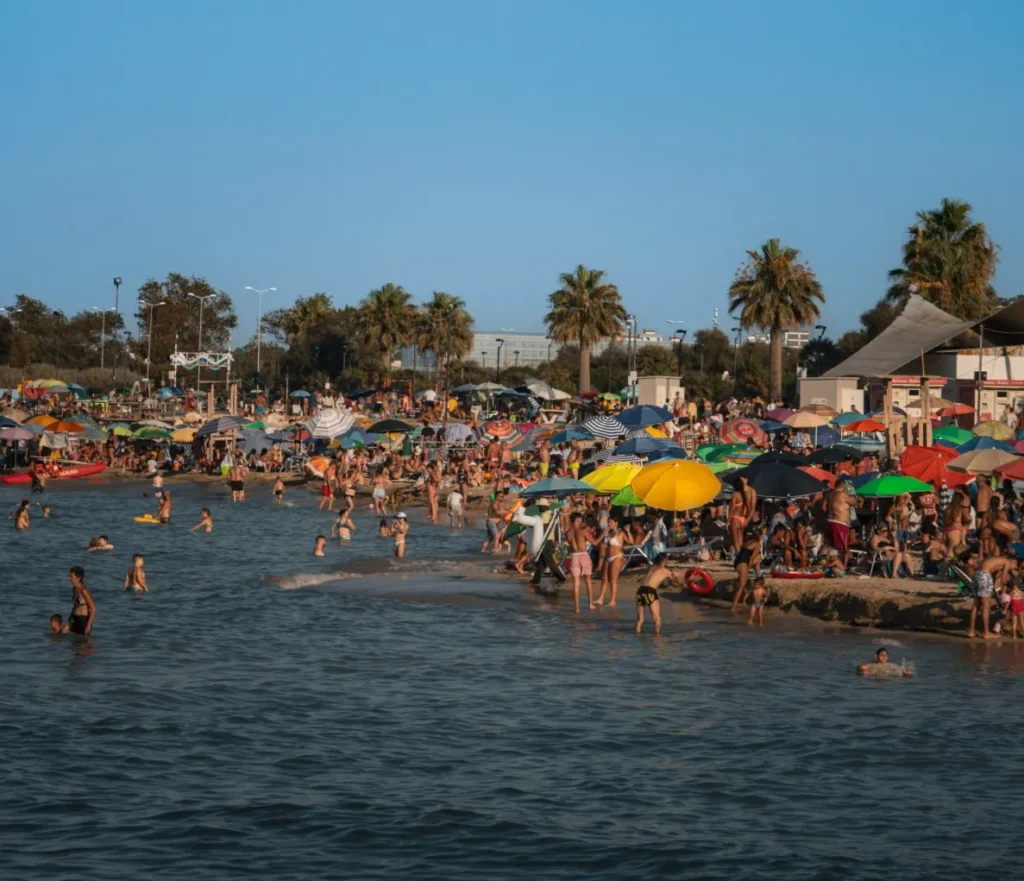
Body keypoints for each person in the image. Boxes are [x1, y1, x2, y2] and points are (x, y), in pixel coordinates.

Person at [969, 554, 1018, 639]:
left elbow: (994, 582)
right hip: (985, 575)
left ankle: (971, 631)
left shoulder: (995, 560)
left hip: (976, 575)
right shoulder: (1006, 562)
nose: (1013, 568)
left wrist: (997, 596)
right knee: (986, 606)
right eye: (1015, 566)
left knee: (976, 605)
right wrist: (1014, 587)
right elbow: (1003, 580)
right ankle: (986, 633)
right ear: (1012, 562)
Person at [635, 553, 683, 636]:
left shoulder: (652, 568)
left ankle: (637, 636)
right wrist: (678, 577)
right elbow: (680, 584)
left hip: (640, 591)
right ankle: (657, 639)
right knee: (657, 618)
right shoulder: (665, 571)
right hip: (650, 591)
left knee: (640, 621)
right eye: (667, 560)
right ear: (665, 561)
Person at [567, 512, 598, 613]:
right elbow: (595, 542)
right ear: (576, 520)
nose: (581, 522)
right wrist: (604, 532)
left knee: (576, 584)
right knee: (588, 581)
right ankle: (590, 604)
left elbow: (569, 545)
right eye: (580, 520)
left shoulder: (567, 532)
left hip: (574, 556)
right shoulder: (582, 531)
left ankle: (577, 608)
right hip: (583, 555)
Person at [595, 516, 625, 606]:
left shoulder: (621, 533)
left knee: (613, 580)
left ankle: (613, 601)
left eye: (611, 522)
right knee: (604, 579)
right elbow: (602, 545)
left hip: (617, 557)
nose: (609, 524)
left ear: (616, 523)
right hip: (608, 558)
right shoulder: (608, 534)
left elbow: (630, 541)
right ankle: (600, 599)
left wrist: (628, 532)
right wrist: (604, 534)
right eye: (608, 522)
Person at [731, 531, 762, 610]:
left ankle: (758, 577)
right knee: (741, 586)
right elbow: (751, 558)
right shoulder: (758, 544)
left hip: (737, 562)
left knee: (758, 561)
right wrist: (748, 568)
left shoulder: (747, 542)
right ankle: (733, 607)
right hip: (743, 563)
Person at [825, 481, 853, 567]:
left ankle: (830, 566)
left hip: (829, 521)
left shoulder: (829, 494)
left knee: (831, 546)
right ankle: (843, 568)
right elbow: (854, 502)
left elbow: (823, 507)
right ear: (844, 487)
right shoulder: (843, 494)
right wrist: (850, 493)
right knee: (844, 548)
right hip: (840, 523)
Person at [67, 566, 95, 635]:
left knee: (83, 644)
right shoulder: (74, 589)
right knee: (74, 643)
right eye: (69, 576)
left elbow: (93, 608)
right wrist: (69, 621)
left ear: (78, 578)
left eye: (71, 576)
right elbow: (75, 607)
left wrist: (88, 625)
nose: (69, 578)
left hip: (83, 620)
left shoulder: (84, 590)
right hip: (75, 619)